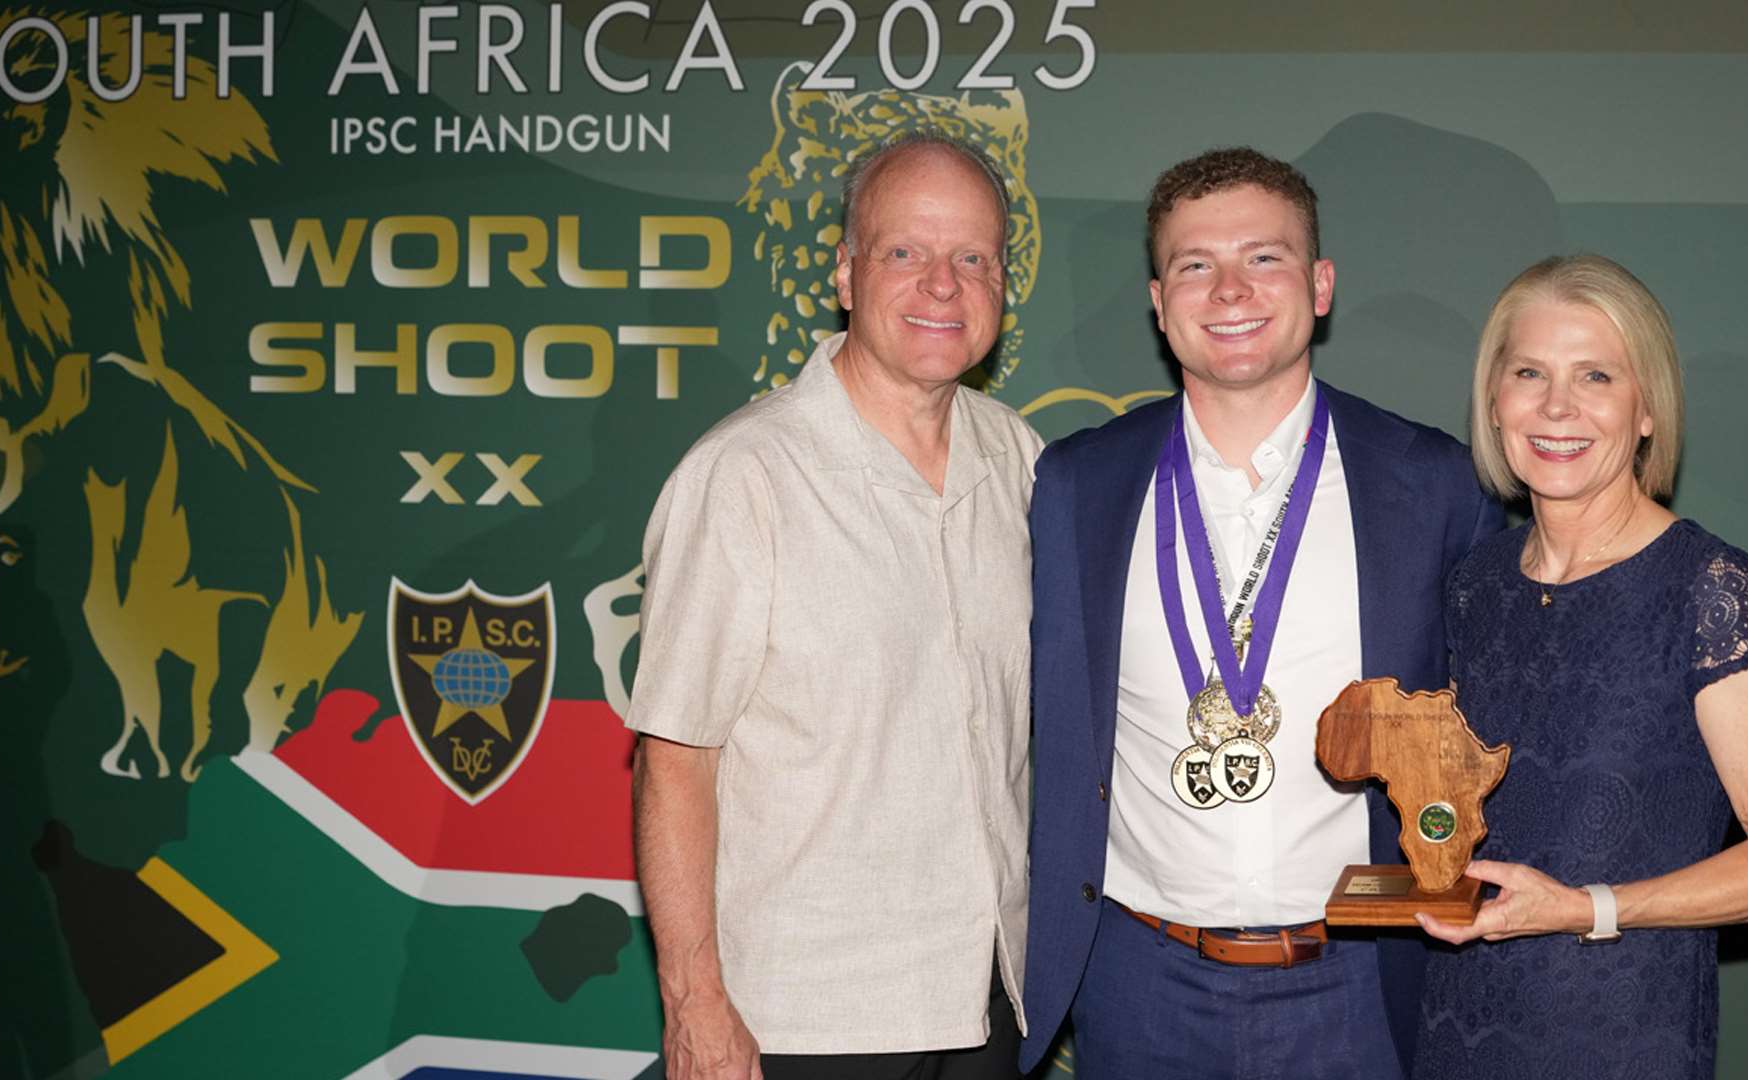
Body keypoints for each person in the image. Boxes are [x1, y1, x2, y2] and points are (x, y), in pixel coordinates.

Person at [1021, 146, 1504, 1079]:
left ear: (1319, 286)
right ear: (1159, 304)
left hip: (1361, 985)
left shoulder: (1429, 483)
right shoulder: (1080, 482)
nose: (1230, 289)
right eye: (1195, 265)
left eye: (1265, 258)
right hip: (1137, 982)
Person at [627, 132, 1042, 1080]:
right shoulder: (745, 476)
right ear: (847, 274)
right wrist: (694, 1004)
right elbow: (674, 760)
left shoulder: (1020, 461)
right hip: (809, 1022)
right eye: (906, 252)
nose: (944, 284)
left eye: (972, 258)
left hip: (988, 1002)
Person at [1412, 254, 1748, 1079]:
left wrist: (1585, 910)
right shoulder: (1476, 585)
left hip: (1619, 1039)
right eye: (1529, 372)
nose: (1557, 406)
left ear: (1646, 411)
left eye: (1595, 376)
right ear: (1494, 401)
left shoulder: (1710, 587)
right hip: (1456, 1030)